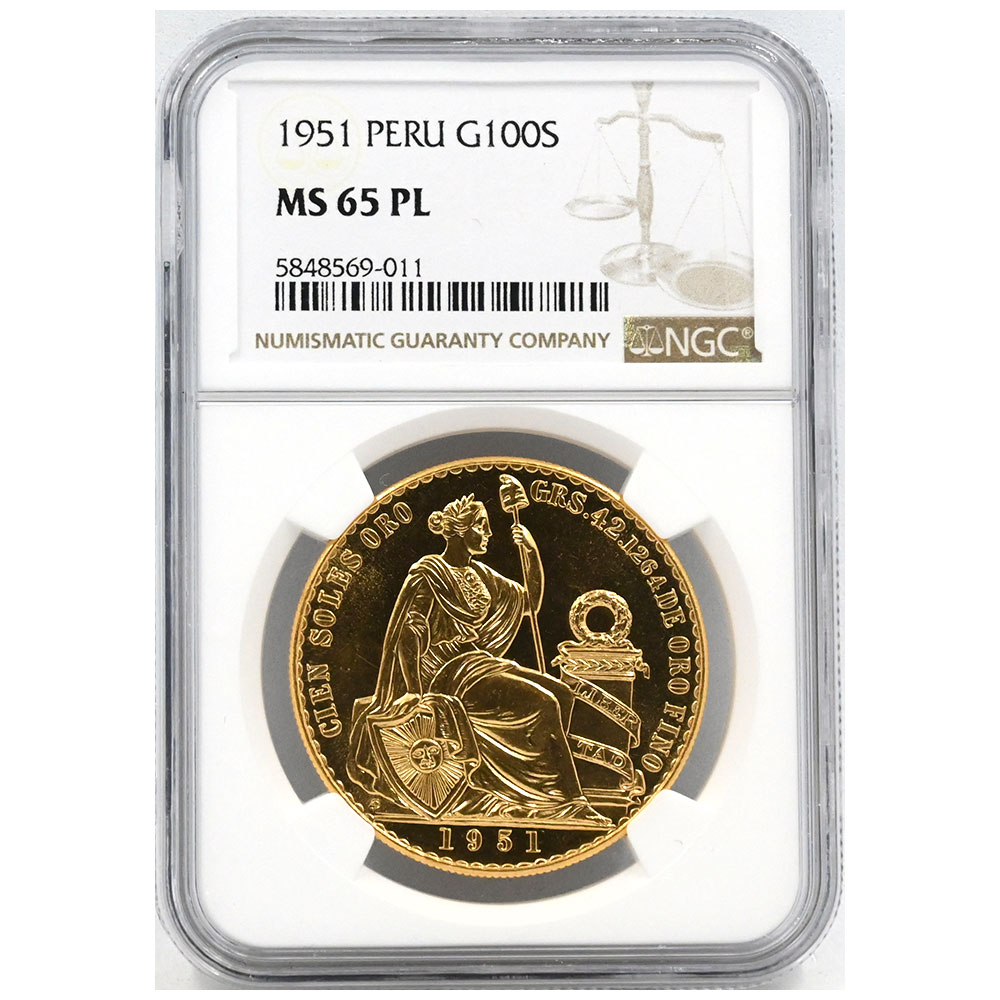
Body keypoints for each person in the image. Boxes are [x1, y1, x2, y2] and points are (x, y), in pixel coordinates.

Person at [347, 490, 609, 825]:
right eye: (481, 526)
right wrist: (414, 691)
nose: (488, 534)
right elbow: (409, 633)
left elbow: (529, 603)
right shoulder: (430, 573)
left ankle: (531, 789)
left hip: (477, 664)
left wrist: (530, 551)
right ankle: (568, 802)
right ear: (460, 530)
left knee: (562, 693)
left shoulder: (481, 574)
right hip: (445, 674)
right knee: (545, 703)